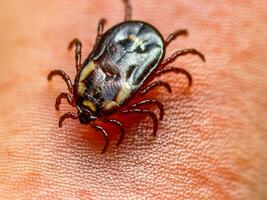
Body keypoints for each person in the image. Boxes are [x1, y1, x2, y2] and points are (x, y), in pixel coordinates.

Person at [0, 0, 266, 199]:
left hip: (127, 55)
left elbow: (151, 102)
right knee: (162, 74)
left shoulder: (88, 91)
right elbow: (149, 106)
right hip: (128, 55)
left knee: (161, 80)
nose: (82, 115)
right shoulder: (93, 94)